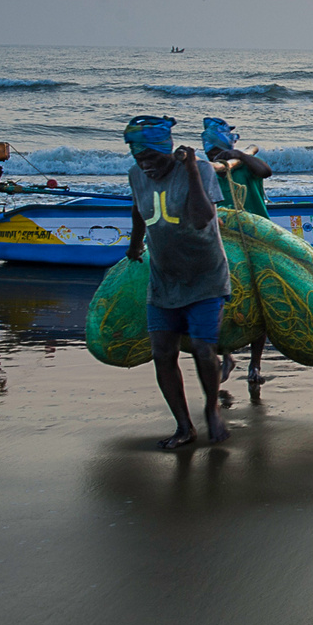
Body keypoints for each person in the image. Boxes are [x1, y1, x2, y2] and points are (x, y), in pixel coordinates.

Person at [123, 115, 231, 449]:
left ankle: (211, 408)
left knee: (202, 348)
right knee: (162, 353)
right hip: (164, 279)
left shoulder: (200, 172)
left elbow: (202, 218)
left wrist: (193, 170)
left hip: (205, 277)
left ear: (167, 151)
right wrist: (134, 243)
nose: (147, 167)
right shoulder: (136, 175)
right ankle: (184, 426)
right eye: (140, 160)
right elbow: (139, 209)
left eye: (152, 159)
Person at [203, 116, 273, 386]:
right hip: (222, 241)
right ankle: (227, 356)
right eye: (209, 152)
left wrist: (238, 155)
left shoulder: (245, 165)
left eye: (216, 151)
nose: (213, 156)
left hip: (256, 237)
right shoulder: (207, 169)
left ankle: (255, 364)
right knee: (225, 301)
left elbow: (266, 171)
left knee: (259, 299)